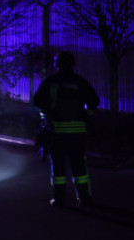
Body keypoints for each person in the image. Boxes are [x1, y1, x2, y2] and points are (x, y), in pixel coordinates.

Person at [32, 51, 99, 207]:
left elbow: (38, 101)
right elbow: (94, 101)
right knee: (80, 167)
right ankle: (84, 198)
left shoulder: (51, 82)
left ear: (57, 65)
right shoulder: (81, 82)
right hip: (78, 132)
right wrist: (85, 115)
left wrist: (48, 113)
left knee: (58, 168)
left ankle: (59, 199)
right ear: (73, 64)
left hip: (57, 132)